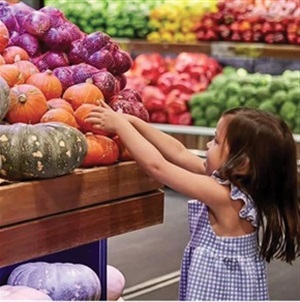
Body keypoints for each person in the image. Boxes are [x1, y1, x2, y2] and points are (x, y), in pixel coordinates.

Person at [86, 103, 300, 301]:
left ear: (242, 165)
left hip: (221, 290)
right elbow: (178, 152)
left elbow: (157, 167)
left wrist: (121, 126)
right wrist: (135, 123)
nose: (208, 144)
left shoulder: (223, 196)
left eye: (216, 141)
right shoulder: (232, 185)